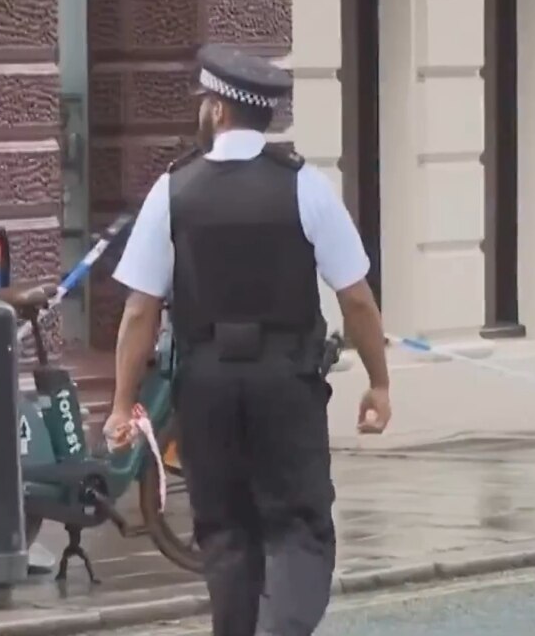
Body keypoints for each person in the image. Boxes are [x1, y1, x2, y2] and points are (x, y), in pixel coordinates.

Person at [103, 44, 392, 636]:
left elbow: (140, 311)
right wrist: (379, 381)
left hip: (204, 385)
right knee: (299, 527)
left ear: (216, 110)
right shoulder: (305, 186)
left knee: (226, 532)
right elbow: (356, 297)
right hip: (285, 381)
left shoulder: (172, 190)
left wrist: (119, 402)